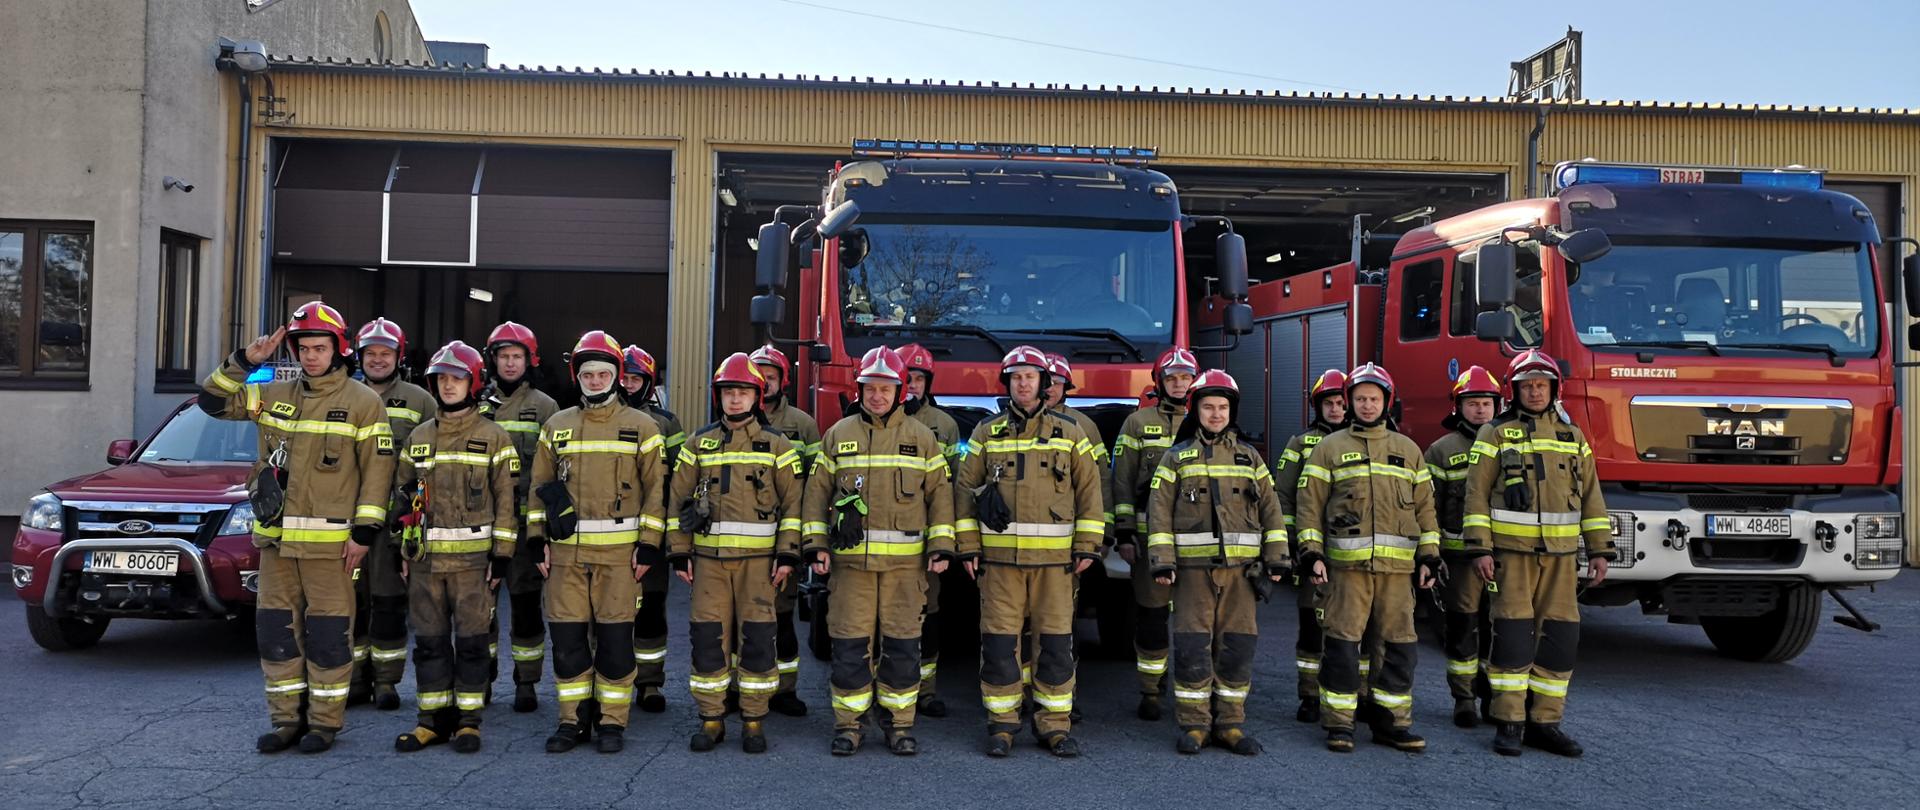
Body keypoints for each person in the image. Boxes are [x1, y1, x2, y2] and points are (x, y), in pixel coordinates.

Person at [199, 302, 395, 753]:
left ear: (338, 349)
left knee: (328, 637)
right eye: (304, 348)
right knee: (275, 633)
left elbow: (377, 473)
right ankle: (286, 721)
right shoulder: (271, 393)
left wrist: (364, 533)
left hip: (332, 548)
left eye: (320, 348)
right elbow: (211, 402)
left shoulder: (364, 403)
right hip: (276, 545)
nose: (311, 356)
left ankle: (324, 724)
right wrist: (246, 361)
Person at [1463, 349, 1616, 758]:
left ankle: (1546, 723)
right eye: (1527, 385)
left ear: (1553, 389)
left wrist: (1600, 550)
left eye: (1541, 385)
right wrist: (1480, 548)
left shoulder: (1573, 436)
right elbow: (1475, 495)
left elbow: (1591, 498)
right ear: (1514, 390)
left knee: (1560, 640)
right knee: (1512, 639)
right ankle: (1509, 722)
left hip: (1563, 560)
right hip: (1512, 556)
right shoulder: (1494, 433)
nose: (1534, 392)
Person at [802, 347, 955, 756]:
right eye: (870, 388)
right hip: (850, 567)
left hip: (906, 568)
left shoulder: (922, 438)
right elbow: (817, 494)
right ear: (861, 390)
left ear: (901, 391)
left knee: (903, 648)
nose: (877, 397)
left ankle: (900, 725)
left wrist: (942, 546)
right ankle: (849, 725)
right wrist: (816, 545)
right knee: (850, 646)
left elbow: (941, 496)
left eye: (886, 389)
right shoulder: (838, 433)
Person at [954, 345, 1105, 758]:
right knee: (1001, 647)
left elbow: (1090, 495)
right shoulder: (986, 433)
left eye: (1031, 377)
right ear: (1008, 383)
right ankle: (1002, 725)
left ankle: (1055, 726)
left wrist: (1088, 546)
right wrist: (967, 547)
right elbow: (965, 493)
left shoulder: (1071, 433)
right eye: (1016, 377)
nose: (1024, 383)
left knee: (1055, 647)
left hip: (1056, 567)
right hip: (999, 564)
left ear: (1044, 384)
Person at [527, 330, 667, 754]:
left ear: (616, 376)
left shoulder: (643, 427)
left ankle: (612, 722)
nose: (594, 381)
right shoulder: (557, 426)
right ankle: (572, 721)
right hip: (566, 557)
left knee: (615, 644)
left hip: (621, 558)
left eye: (603, 373)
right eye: (587, 374)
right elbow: (539, 486)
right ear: (577, 377)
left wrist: (649, 545)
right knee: (568, 643)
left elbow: (657, 491)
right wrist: (536, 540)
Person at [1294, 363, 1442, 753]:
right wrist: (1310, 553)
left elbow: (1426, 510)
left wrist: (1429, 556)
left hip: (1398, 573)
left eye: (1374, 398)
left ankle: (1392, 724)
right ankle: (1340, 724)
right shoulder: (1329, 449)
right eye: (1360, 398)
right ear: (1349, 402)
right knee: (1342, 646)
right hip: (1346, 571)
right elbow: (1310, 507)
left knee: (1397, 647)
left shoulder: (1408, 450)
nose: (1367, 404)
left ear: (1386, 402)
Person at [1142, 370, 1288, 755]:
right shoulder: (1176, 457)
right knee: (1193, 645)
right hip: (1193, 573)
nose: (1216, 414)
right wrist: (1162, 561)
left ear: (1232, 410)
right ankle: (1194, 725)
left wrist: (1277, 558)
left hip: (1242, 572)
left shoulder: (1249, 456)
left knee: (1237, 646)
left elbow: (1272, 510)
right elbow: (1159, 512)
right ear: (1196, 410)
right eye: (1208, 407)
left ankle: (1230, 723)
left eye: (1223, 407)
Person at [669, 353, 804, 754]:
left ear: (757, 397)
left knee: (759, 641)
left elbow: (794, 507)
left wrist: (788, 556)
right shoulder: (698, 443)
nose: (734, 400)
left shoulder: (778, 446)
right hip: (709, 563)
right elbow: (677, 499)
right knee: (708, 641)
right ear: (719, 396)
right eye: (728, 392)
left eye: (743, 392)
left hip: (760, 566)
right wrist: (679, 552)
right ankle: (711, 719)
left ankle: (753, 720)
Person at [389, 341, 518, 754]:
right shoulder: (420, 436)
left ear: (473, 383)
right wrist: (401, 549)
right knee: (429, 643)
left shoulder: (494, 437)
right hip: (425, 564)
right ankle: (431, 721)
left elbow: (507, 502)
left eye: (457, 378)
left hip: (473, 565)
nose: (448, 386)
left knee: (472, 644)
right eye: (442, 379)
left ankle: (468, 722)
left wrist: (501, 557)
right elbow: (402, 497)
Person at [351, 318, 434, 711]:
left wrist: (417, 521)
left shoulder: (420, 401)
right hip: (345, 523)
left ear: (398, 357)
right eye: (371, 354)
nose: (378, 360)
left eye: (385, 353)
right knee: (350, 604)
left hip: (393, 526)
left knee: (387, 604)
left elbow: (432, 463)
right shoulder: (343, 395)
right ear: (359, 356)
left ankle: (386, 682)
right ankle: (353, 680)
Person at [1110, 346, 1197, 721]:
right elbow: (1123, 481)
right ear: (1160, 382)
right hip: (1148, 540)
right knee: (1151, 616)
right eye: (1172, 378)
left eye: (1186, 377)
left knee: (1197, 622)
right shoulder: (1137, 423)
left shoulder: (1209, 418)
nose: (1179, 384)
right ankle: (1151, 691)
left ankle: (1194, 693)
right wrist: (1125, 534)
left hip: (1199, 543)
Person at [478, 322, 559, 713]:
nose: (510, 363)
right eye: (503, 356)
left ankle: (527, 684)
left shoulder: (546, 407)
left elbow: (555, 473)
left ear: (530, 361)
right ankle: (483, 680)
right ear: (491, 360)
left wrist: (543, 533)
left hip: (527, 530)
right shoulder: (474, 403)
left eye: (517, 357)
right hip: (482, 526)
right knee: (481, 609)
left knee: (527, 608)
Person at [1424, 366, 1502, 728]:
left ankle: (1495, 698)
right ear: (1458, 407)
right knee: (1462, 629)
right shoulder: (1441, 451)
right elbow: (1429, 506)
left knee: (1500, 629)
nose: (1480, 410)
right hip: (1459, 560)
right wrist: (1433, 554)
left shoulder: (1511, 443)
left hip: (1504, 557)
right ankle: (1464, 699)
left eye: (1486, 403)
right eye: (1472, 403)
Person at [1271, 369, 1347, 723]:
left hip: (1353, 553)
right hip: (1310, 551)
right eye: (1329, 403)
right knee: (1312, 628)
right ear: (1318, 406)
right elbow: (1283, 498)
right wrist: (1291, 547)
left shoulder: (1372, 442)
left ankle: (1353, 695)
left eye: (1341, 402)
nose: (1336, 409)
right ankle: (1310, 696)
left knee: (1352, 628)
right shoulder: (1300, 444)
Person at [751, 343, 818, 716]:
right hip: (743, 538)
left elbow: (816, 481)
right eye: (758, 376)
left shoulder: (803, 425)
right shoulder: (736, 416)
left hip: (785, 535)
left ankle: (785, 690)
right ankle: (738, 689)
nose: (764, 382)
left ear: (783, 381)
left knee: (781, 616)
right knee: (743, 619)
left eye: (770, 376)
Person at [897, 342, 962, 717]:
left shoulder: (945, 425)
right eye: (907, 377)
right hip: (884, 538)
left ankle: (926, 690)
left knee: (929, 612)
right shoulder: (859, 421)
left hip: (926, 537)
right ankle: (884, 687)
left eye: (918, 379)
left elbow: (949, 488)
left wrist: (945, 538)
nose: (912, 385)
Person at [622, 345, 682, 714]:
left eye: (635, 379)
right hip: (607, 533)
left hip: (652, 532)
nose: (628, 385)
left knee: (651, 610)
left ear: (649, 382)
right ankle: (608, 682)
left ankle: (649, 683)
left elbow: (678, 482)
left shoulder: (666, 422)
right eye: (624, 377)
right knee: (608, 615)